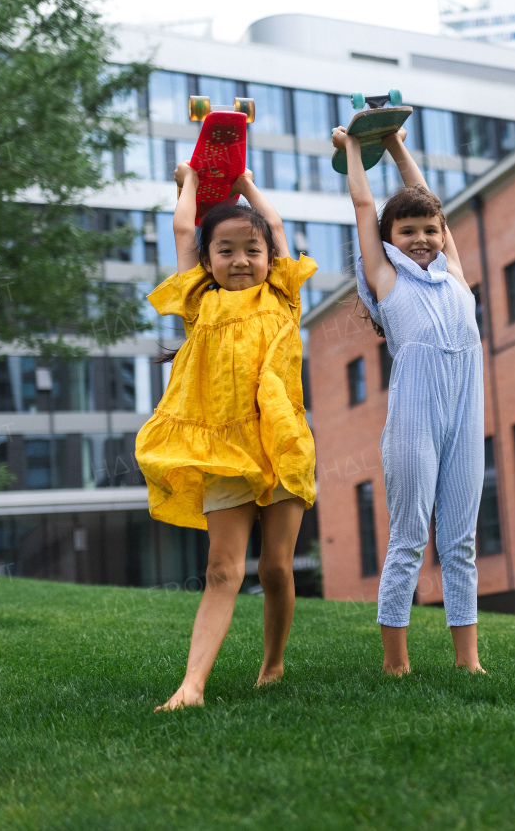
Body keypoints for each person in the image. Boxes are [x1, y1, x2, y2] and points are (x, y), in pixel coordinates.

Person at [136, 163, 318, 710]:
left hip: (281, 444)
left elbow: (277, 225)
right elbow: (183, 231)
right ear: (209, 260)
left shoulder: (284, 294)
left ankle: (273, 662)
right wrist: (190, 183)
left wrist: (242, 184)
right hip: (222, 451)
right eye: (226, 251)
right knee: (222, 570)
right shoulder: (198, 300)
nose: (241, 260)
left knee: (276, 567)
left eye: (252, 250)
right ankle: (191, 687)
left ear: (267, 257)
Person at [336, 123, 484, 675]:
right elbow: (362, 201)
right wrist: (354, 148)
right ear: (388, 239)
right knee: (408, 540)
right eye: (407, 231)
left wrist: (397, 146)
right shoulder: (386, 279)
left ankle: (467, 662)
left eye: (430, 230)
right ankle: (395, 664)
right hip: (413, 426)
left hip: (465, 421)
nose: (421, 237)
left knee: (460, 543)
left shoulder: (456, 278)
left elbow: (431, 202)